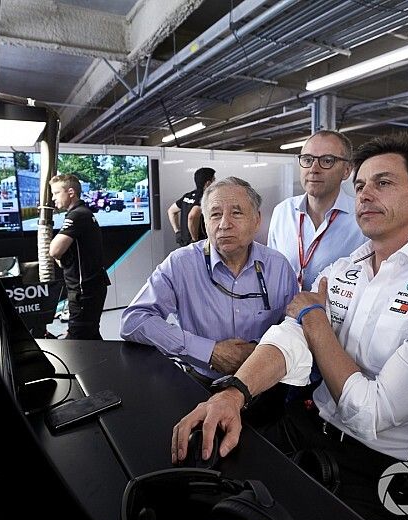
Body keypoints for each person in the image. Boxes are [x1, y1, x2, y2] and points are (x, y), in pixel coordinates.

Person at [172, 134, 408, 520]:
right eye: (360, 185)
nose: (364, 195)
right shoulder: (347, 268)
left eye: (383, 183)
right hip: (308, 428)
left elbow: (372, 413)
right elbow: (290, 338)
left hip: (385, 466)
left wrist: (314, 318)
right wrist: (234, 393)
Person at [121, 177, 298, 388]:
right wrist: (207, 351)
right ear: (205, 223)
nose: (224, 224)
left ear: (257, 220)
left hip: (265, 386)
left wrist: (261, 351)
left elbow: (294, 327)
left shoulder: (278, 267)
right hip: (200, 385)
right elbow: (134, 321)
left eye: (236, 213)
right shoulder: (180, 264)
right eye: (215, 215)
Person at [268, 130, 367, 291]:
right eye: (307, 159)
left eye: (327, 160)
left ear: (347, 170)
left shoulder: (362, 218)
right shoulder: (283, 212)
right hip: (284, 313)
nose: (314, 169)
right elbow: (272, 268)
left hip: (335, 315)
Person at [49, 173, 110, 340]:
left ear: (70, 192)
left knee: (81, 338)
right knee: (88, 334)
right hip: (89, 287)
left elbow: (54, 251)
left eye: (56, 193)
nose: (53, 198)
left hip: (84, 290)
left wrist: (59, 257)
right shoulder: (83, 213)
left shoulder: (77, 215)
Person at [168, 167, 215, 246]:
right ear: (208, 183)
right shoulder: (204, 198)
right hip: (198, 243)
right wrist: (195, 239)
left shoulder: (187, 196)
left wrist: (177, 231)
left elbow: (171, 211)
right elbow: (192, 216)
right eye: (214, 180)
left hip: (184, 240)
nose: (215, 183)